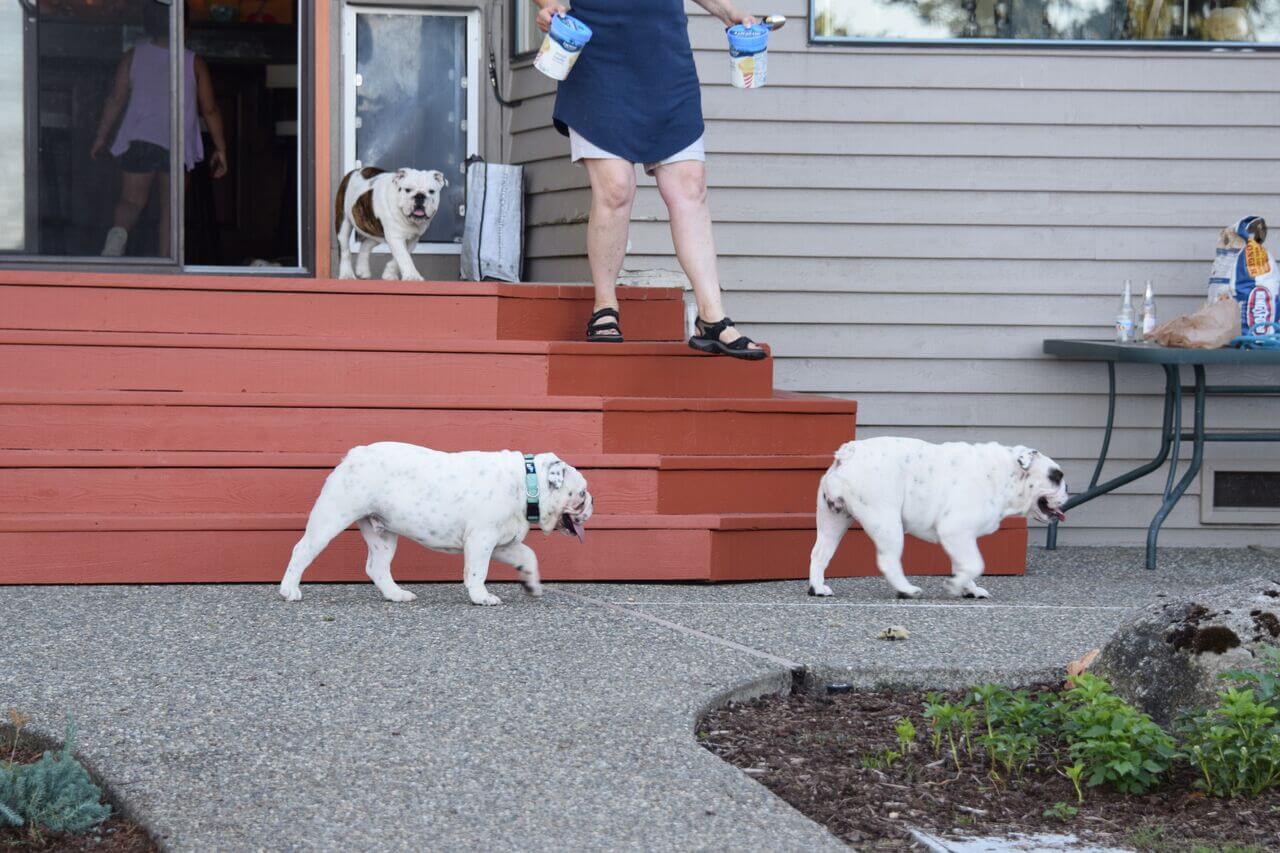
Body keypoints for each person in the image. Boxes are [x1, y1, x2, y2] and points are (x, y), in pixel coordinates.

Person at [535, 0, 766, 359]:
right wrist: (548, 4)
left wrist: (728, 12)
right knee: (615, 187)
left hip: (665, 61)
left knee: (690, 185)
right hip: (598, 57)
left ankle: (712, 318)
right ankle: (605, 307)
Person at [91, 1, 228, 258]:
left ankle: (115, 241)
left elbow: (115, 99)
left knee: (130, 201)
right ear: (186, 28)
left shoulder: (133, 55)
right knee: (171, 210)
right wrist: (221, 148)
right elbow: (209, 109)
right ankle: (168, 261)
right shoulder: (193, 62)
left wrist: (101, 136)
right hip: (175, 144)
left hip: (140, 140)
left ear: (148, 25)